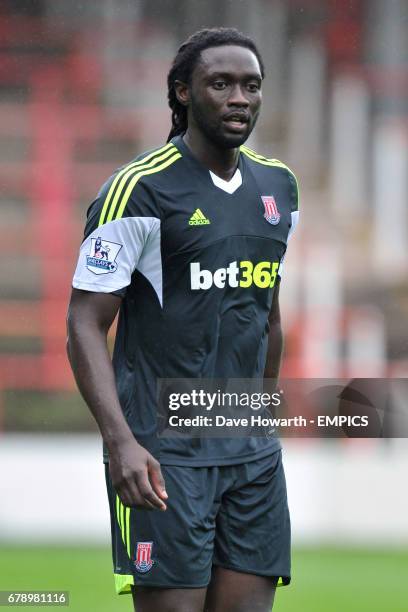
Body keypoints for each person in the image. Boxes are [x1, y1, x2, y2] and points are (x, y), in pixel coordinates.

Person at [67, 27, 299, 612]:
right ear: (182, 94)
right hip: (161, 453)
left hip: (249, 454)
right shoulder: (137, 190)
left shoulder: (279, 186)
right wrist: (121, 442)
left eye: (251, 85)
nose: (239, 98)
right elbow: (85, 324)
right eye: (220, 83)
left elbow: (267, 316)